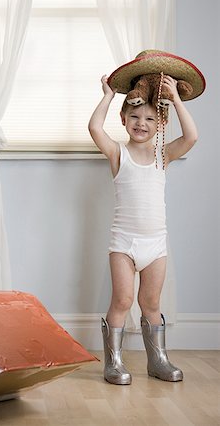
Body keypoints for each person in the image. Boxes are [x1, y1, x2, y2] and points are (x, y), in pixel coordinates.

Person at [88, 72, 198, 385]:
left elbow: (191, 137)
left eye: (150, 118)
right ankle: (114, 362)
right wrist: (108, 95)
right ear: (123, 120)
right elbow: (95, 127)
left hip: (155, 245)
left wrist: (175, 100)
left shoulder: (162, 155)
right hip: (124, 244)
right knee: (122, 301)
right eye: (134, 116)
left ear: (160, 124)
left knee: (151, 304)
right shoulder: (117, 154)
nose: (141, 123)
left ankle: (158, 360)